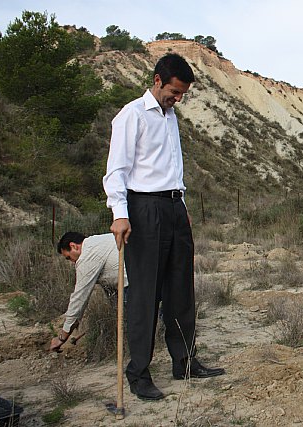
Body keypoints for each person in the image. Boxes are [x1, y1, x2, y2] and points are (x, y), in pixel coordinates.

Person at [103, 53, 224, 401]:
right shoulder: (132, 115)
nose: (178, 98)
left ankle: (184, 361)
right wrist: (120, 213)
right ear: (157, 80)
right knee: (144, 294)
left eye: (183, 93)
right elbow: (117, 170)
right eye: (174, 91)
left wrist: (181, 205)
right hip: (143, 209)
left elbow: (172, 167)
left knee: (180, 290)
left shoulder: (171, 117)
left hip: (173, 207)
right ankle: (138, 373)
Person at [49, 232, 127, 353]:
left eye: (69, 257)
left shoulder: (88, 255)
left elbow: (79, 298)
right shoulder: (98, 242)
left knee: (134, 321)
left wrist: (62, 337)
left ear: (74, 246)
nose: (73, 262)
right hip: (146, 271)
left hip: (135, 282)